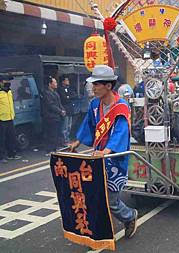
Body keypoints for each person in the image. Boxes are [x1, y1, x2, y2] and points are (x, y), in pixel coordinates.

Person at [69, 65, 138, 239]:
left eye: (97, 84)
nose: (93, 88)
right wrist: (77, 141)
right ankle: (99, 231)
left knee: (112, 201)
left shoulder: (121, 107)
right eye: (93, 84)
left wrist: (107, 151)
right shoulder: (94, 105)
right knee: (95, 195)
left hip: (114, 158)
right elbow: (88, 125)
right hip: (98, 156)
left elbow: (121, 133)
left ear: (108, 86)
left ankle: (130, 216)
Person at [42, 76, 66, 154]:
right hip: (51, 116)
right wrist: (60, 111)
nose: (56, 84)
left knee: (56, 133)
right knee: (51, 133)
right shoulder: (46, 93)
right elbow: (51, 105)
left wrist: (63, 110)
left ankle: (54, 148)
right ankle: (49, 149)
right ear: (50, 84)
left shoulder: (55, 92)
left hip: (57, 116)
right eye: (54, 82)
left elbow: (59, 103)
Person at [0, 75, 21, 163]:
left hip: (10, 118)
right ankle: (2, 156)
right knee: (1, 139)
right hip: (1, 119)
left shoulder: (9, 92)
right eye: (5, 81)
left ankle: (12, 154)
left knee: (12, 137)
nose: (8, 82)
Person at [58, 75, 77, 144]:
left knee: (69, 126)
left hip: (70, 109)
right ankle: (64, 140)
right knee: (64, 127)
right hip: (64, 109)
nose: (68, 81)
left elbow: (74, 95)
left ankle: (67, 138)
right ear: (63, 81)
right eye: (66, 80)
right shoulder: (60, 89)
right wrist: (68, 97)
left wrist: (69, 97)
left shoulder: (69, 88)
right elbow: (64, 98)